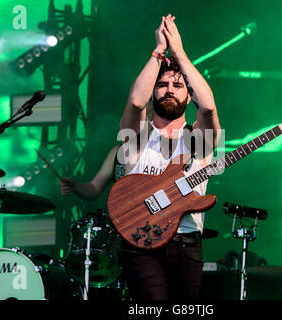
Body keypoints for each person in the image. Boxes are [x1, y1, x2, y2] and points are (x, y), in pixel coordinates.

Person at [118, 14, 220, 300]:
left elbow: (209, 109)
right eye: (162, 85)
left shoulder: (200, 141)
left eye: (178, 86)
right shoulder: (135, 136)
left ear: (189, 97)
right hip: (142, 244)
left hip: (188, 244)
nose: (169, 90)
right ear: (154, 93)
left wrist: (180, 54)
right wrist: (158, 52)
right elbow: (136, 101)